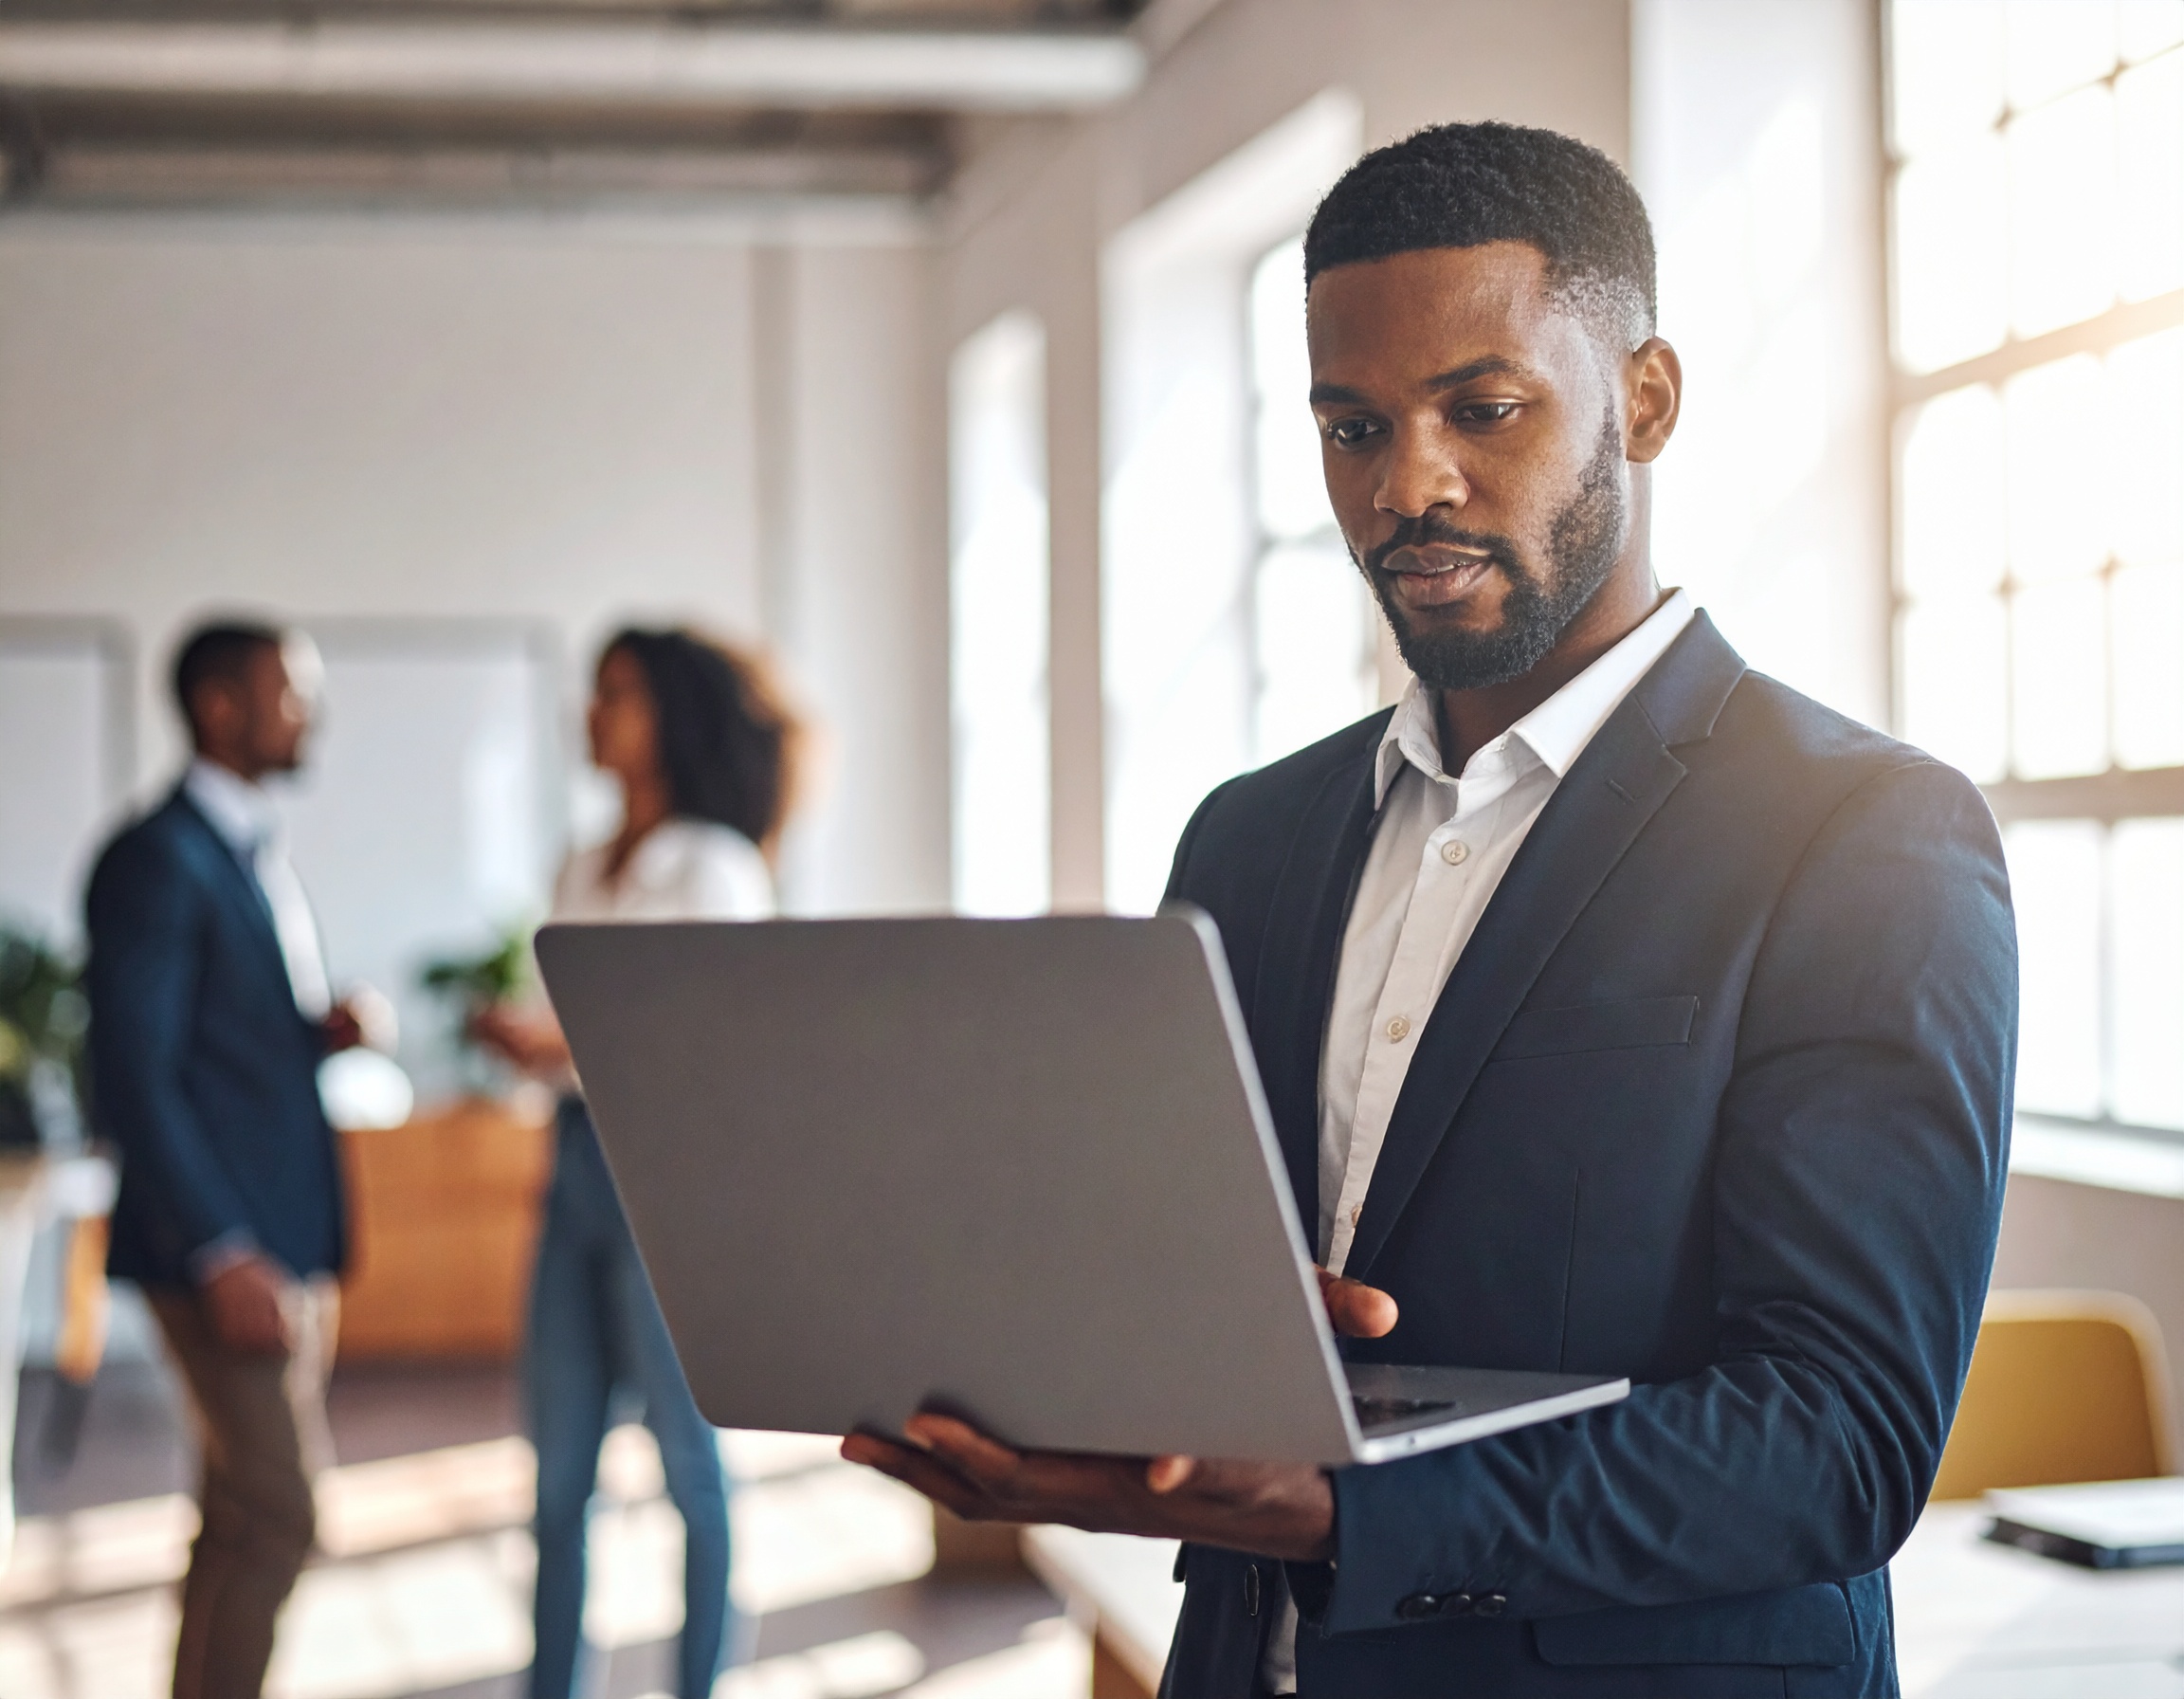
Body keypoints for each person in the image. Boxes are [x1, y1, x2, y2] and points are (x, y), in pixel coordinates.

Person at [843, 122, 2016, 1697]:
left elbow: (1834, 1445)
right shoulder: (1247, 838)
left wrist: (1346, 1505)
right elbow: (1186, 1280)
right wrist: (1065, 1352)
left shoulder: (1859, 833)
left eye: (1483, 409)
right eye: (1350, 426)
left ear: (1643, 398)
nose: (1408, 485)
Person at [474, 628, 804, 1699]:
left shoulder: (715, 865)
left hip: (665, 1187)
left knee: (689, 1473)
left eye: (617, 693)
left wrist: (556, 1044)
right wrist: (537, 1044)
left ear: (671, 714)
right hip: (574, 1171)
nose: (594, 714)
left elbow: (709, 1045)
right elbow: (573, 1022)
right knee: (556, 1478)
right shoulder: (582, 858)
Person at [85, 619, 382, 1699]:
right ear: (220, 705)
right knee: (283, 1513)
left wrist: (320, 1032)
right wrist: (221, 1247)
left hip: (276, 1229)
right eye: (289, 691)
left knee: (237, 1515)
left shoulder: (243, 849)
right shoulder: (156, 860)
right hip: (223, 1248)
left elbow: (216, 1041)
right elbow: (135, 1072)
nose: (309, 713)